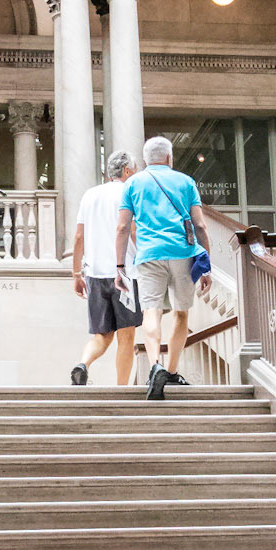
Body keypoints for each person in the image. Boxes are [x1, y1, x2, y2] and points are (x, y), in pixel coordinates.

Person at [115, 135, 212, 400]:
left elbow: (123, 227)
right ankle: (170, 370)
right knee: (181, 314)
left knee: (151, 312)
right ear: (170, 158)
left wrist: (120, 266)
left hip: (148, 255)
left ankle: (155, 364)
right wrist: (207, 266)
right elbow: (201, 226)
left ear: (146, 159)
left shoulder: (133, 183)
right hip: (182, 253)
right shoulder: (186, 182)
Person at [70, 149, 139, 387]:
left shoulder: (90, 195)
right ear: (127, 170)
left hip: (95, 273)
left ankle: (83, 364)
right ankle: (122, 389)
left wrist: (76, 273)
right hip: (125, 272)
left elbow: (79, 237)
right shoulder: (131, 191)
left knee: (101, 335)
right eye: (134, 170)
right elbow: (132, 231)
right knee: (126, 336)